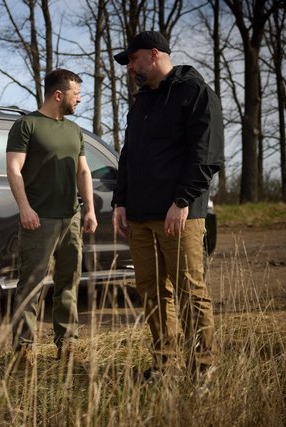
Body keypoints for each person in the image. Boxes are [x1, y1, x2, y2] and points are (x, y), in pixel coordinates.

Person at [111, 31, 224, 379]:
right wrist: (120, 201)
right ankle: (165, 364)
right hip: (140, 215)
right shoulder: (141, 102)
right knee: (151, 292)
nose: (130, 66)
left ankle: (203, 367)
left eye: (133, 59)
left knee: (190, 290)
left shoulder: (195, 92)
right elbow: (129, 155)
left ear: (154, 54)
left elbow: (206, 154)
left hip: (180, 213)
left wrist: (182, 200)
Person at [6, 69, 97, 365]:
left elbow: (83, 171)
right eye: (76, 94)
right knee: (31, 284)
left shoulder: (74, 131)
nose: (80, 99)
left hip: (70, 216)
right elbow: (13, 169)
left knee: (69, 281)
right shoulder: (26, 125)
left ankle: (68, 344)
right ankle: (23, 350)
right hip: (38, 219)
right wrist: (25, 208)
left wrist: (90, 210)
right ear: (59, 95)